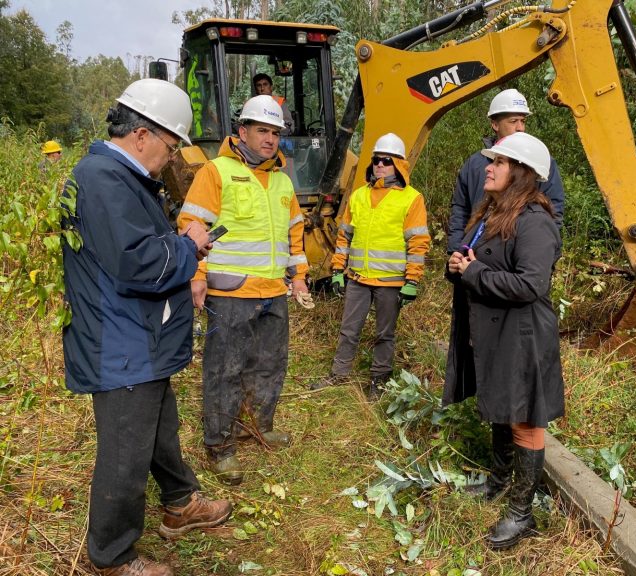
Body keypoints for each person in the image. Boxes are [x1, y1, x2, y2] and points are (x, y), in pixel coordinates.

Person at [61, 79, 232, 576]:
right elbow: (135, 264)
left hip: (138, 338)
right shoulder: (105, 180)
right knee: (124, 455)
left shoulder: (116, 177)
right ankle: (111, 555)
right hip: (122, 343)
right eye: (171, 145)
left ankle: (180, 503)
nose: (172, 157)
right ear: (142, 135)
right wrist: (189, 244)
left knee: (159, 429)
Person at [177, 95, 310, 485]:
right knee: (225, 370)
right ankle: (221, 445)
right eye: (262, 131)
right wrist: (196, 274)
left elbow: (294, 234)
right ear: (242, 132)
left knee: (269, 363)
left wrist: (298, 275)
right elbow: (192, 226)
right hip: (231, 293)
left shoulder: (283, 181)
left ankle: (259, 424)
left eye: (275, 132)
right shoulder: (216, 172)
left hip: (273, 291)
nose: (270, 139)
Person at [443, 132, 564, 550]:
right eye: (490, 161)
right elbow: (473, 257)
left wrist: (473, 272)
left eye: (498, 162)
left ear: (521, 174)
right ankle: (497, 481)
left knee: (526, 418)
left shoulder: (535, 221)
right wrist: (458, 263)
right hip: (493, 328)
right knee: (500, 403)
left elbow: (531, 285)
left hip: (524, 334)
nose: (488, 168)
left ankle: (522, 513)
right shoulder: (490, 213)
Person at [309, 133, 430, 399]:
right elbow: (344, 238)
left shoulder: (411, 199)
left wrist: (412, 281)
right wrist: (337, 271)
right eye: (376, 160)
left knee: (384, 334)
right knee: (348, 329)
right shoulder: (359, 196)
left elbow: (418, 243)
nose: (379, 165)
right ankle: (339, 374)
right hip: (358, 278)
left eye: (386, 161)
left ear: (398, 165)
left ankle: (379, 381)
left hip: (391, 282)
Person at [447, 88, 565, 254]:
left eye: (523, 121)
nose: (520, 128)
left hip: (515, 258)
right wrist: (456, 250)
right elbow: (460, 209)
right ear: (495, 125)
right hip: (473, 255)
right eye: (513, 121)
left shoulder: (538, 162)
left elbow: (554, 211)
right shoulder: (475, 164)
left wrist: (544, 254)